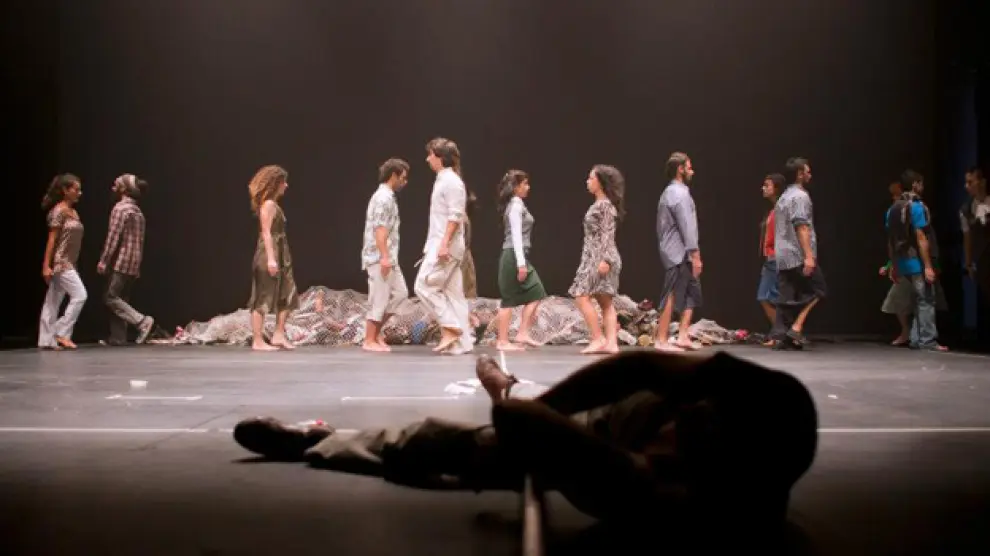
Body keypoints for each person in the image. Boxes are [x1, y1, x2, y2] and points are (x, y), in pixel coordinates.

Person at [232, 350, 818, 541]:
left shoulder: (666, 495)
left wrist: (531, 419)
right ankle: (510, 386)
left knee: (439, 444)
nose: (681, 417)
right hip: (601, 423)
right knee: (522, 411)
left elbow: (518, 424)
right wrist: (548, 407)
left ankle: (318, 440)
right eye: (689, 412)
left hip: (594, 451)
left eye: (686, 431)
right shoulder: (773, 399)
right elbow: (638, 367)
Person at [414, 137, 473, 355]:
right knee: (454, 294)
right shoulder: (443, 180)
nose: (427, 159)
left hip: (444, 245)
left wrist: (444, 244)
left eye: (430, 154)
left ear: (440, 157)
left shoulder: (451, 182)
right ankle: (463, 343)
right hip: (443, 243)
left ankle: (451, 327)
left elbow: (455, 216)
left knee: (423, 286)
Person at [887, 170, 947, 352]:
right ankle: (927, 340)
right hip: (916, 262)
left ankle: (915, 339)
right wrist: (928, 266)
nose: (923, 187)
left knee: (917, 301)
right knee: (926, 300)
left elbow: (890, 240)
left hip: (903, 263)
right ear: (915, 184)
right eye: (921, 183)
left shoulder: (893, 209)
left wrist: (894, 265)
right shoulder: (917, 207)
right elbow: (921, 237)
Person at [568, 165, 625, 354]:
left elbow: (608, 234)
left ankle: (598, 338)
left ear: (600, 182)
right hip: (594, 257)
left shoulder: (604, 206)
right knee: (605, 302)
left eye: (591, 178)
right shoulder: (600, 204)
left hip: (600, 258)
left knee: (581, 296)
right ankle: (611, 343)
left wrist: (606, 260)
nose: (588, 181)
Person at [771, 157, 826, 350]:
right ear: (800, 174)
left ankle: (783, 336)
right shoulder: (800, 196)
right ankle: (796, 327)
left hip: (783, 254)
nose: (810, 175)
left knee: (787, 296)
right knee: (819, 290)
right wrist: (808, 256)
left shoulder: (783, 197)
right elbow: (801, 226)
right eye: (807, 172)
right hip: (796, 254)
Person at [97, 173, 156, 346]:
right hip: (133, 262)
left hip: (121, 261)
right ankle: (118, 337)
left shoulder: (120, 209)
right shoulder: (137, 211)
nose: (112, 188)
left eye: (116, 185)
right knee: (122, 298)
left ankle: (142, 321)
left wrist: (104, 261)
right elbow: (140, 241)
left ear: (123, 189)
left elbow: (113, 237)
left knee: (111, 297)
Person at [654, 152, 703, 352]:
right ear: (680, 169)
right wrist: (695, 254)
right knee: (672, 294)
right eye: (689, 167)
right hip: (678, 252)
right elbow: (686, 225)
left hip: (682, 251)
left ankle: (683, 335)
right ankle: (661, 340)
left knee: (691, 291)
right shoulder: (678, 193)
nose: (692, 171)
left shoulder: (677, 191)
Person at [247, 165, 299, 351]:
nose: (286, 185)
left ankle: (278, 334)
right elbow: (266, 232)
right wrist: (270, 258)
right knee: (263, 295)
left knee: (287, 291)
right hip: (270, 252)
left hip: (282, 252)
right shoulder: (268, 204)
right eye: (283, 182)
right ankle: (258, 340)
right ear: (275, 183)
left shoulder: (274, 205)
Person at [361, 159, 410, 352]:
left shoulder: (389, 197)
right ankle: (369, 340)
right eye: (403, 177)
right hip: (379, 257)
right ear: (393, 175)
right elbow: (380, 229)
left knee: (401, 294)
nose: (405, 182)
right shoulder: (383, 198)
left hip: (389, 256)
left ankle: (376, 334)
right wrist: (384, 257)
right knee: (379, 297)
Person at [495, 170, 547, 350]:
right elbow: (516, 236)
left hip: (519, 254)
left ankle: (522, 332)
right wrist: (521, 264)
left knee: (537, 291)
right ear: (516, 187)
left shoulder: (518, 204)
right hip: (513, 254)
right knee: (508, 299)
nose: (528, 187)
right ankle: (502, 341)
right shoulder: (515, 205)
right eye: (525, 184)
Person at [38, 173, 88, 350]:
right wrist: (46, 265)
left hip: (70, 262)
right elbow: (52, 240)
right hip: (61, 262)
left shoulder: (73, 212)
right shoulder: (58, 211)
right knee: (80, 295)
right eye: (76, 189)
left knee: (52, 301)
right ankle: (61, 331)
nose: (79, 193)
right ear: (65, 191)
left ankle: (46, 340)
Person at [960, 166, 989, 347]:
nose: (967, 186)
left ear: (982, 182)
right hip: (983, 262)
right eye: (966, 182)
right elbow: (967, 237)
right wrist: (969, 263)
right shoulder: (966, 209)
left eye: (971, 182)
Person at [756, 174, 784, 347]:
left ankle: (779, 334)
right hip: (771, 258)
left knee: (765, 296)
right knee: (770, 297)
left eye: (767, 185)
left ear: (777, 188)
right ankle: (779, 333)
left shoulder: (781, 209)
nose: (763, 188)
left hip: (776, 258)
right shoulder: (774, 209)